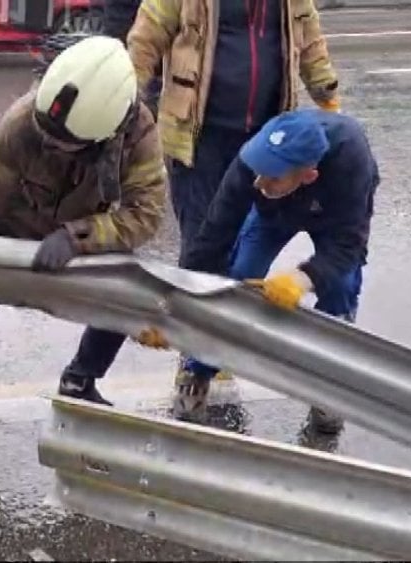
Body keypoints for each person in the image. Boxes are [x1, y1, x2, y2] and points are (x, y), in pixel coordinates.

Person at [0, 36, 167, 444]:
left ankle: (80, 381)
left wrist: (78, 237)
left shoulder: (138, 135)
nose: (49, 145)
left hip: (84, 232)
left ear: (103, 134)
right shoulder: (22, 124)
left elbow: (146, 213)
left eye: (63, 143)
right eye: (47, 137)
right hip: (15, 224)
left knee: (124, 293)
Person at [125, 0, 342, 418]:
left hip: (265, 138)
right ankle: (195, 354)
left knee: (245, 246)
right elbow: (145, 39)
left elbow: (308, 37)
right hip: (200, 137)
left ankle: (220, 342)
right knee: (205, 242)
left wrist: (327, 94)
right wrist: (130, 100)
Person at [182, 108, 380, 430]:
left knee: (341, 288)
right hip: (274, 212)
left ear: (308, 175)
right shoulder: (254, 164)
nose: (257, 181)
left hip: (333, 216)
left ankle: (328, 386)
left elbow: (347, 246)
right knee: (240, 273)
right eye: (258, 171)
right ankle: (199, 368)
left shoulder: (351, 164)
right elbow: (212, 237)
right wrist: (177, 304)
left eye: (272, 175)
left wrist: (303, 279)